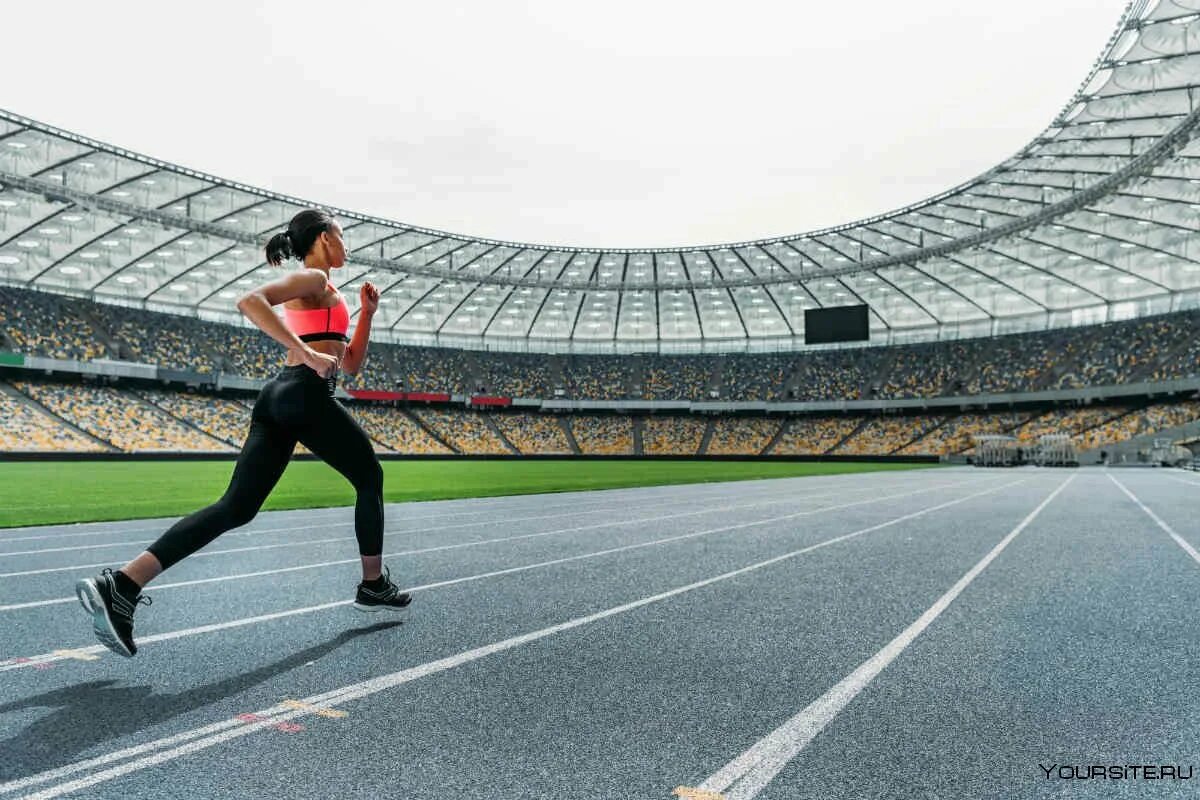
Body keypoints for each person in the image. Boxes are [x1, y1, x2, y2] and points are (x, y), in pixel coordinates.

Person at [75, 208, 411, 658]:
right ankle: (373, 585)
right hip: (301, 392)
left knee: (236, 507)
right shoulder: (311, 279)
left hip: (283, 397)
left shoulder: (331, 293)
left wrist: (367, 315)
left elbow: (349, 364)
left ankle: (122, 584)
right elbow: (249, 302)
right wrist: (306, 353)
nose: (347, 246)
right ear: (326, 238)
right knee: (369, 477)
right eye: (343, 236)